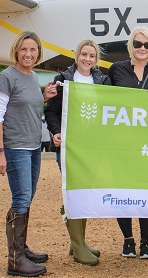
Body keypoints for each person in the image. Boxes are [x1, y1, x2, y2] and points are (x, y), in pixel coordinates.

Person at [0, 31, 57, 277]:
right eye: (24, 50)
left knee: (28, 197)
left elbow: (26, 106)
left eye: (33, 50)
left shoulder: (31, 77)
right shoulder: (5, 77)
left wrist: (44, 97)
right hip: (15, 147)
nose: (28, 54)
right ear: (16, 52)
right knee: (20, 199)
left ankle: (22, 248)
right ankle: (15, 260)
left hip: (32, 147)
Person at [44, 39, 111, 266]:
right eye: (84, 54)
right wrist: (55, 132)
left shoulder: (103, 81)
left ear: (96, 59)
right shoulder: (62, 80)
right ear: (76, 55)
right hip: (69, 146)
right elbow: (51, 112)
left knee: (84, 192)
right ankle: (78, 245)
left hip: (92, 147)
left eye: (92, 56)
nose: (87, 59)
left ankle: (78, 241)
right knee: (74, 191)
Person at [108, 27, 148, 259]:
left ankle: (145, 240)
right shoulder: (116, 70)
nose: (142, 48)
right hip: (121, 142)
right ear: (130, 46)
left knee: (146, 190)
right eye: (138, 44)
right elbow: (99, 96)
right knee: (122, 190)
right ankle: (127, 239)